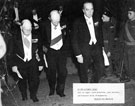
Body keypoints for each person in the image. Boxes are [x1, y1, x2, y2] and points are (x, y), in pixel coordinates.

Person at [9, 19, 43, 102]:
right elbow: (10, 53)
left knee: (35, 80)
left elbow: (40, 50)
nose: (28, 31)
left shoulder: (36, 35)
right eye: (26, 29)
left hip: (33, 61)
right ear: (21, 27)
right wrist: (13, 65)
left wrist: (41, 63)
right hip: (20, 62)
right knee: (22, 81)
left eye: (30, 29)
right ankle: (24, 94)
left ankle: (33, 95)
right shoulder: (15, 37)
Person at [72, 1, 105, 83]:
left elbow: (100, 33)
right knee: (83, 71)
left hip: (96, 47)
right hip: (84, 49)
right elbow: (74, 40)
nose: (90, 12)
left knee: (101, 68)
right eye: (87, 10)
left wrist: (102, 46)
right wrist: (78, 55)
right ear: (83, 10)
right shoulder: (77, 22)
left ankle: (94, 82)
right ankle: (85, 88)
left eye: (92, 9)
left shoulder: (97, 19)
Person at [41, 10, 69, 97]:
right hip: (51, 52)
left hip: (61, 51)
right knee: (51, 72)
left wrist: (66, 49)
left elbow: (67, 36)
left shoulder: (64, 23)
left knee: (63, 72)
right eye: (54, 21)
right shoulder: (44, 25)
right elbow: (41, 38)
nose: (57, 23)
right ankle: (52, 88)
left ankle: (60, 90)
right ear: (50, 19)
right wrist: (44, 49)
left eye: (58, 21)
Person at [120, 5, 135, 82]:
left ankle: (132, 77)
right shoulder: (126, 23)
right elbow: (123, 34)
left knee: (133, 63)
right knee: (126, 62)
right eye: (128, 13)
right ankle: (129, 76)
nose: (128, 15)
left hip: (133, 47)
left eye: (130, 13)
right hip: (126, 46)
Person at [102, 7, 117, 76]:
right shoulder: (102, 25)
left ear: (108, 18)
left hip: (107, 45)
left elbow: (111, 39)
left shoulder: (111, 26)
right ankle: (105, 73)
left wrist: (110, 50)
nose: (102, 18)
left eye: (103, 17)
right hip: (103, 45)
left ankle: (109, 74)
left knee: (108, 59)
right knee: (103, 59)